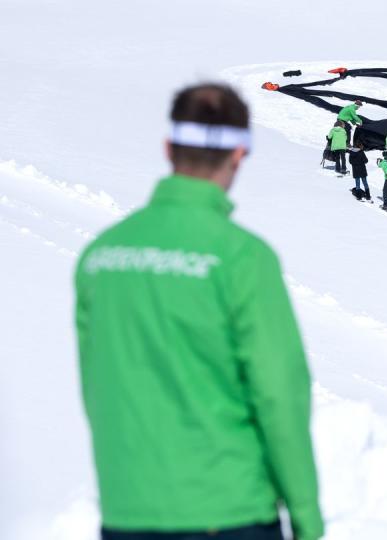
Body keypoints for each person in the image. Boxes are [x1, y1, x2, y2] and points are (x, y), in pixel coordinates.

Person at [74, 84, 324, 540]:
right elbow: (279, 394)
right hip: (227, 510)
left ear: (169, 147)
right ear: (239, 154)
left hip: (127, 511)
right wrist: (306, 513)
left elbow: (97, 385)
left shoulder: (101, 256)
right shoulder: (241, 258)